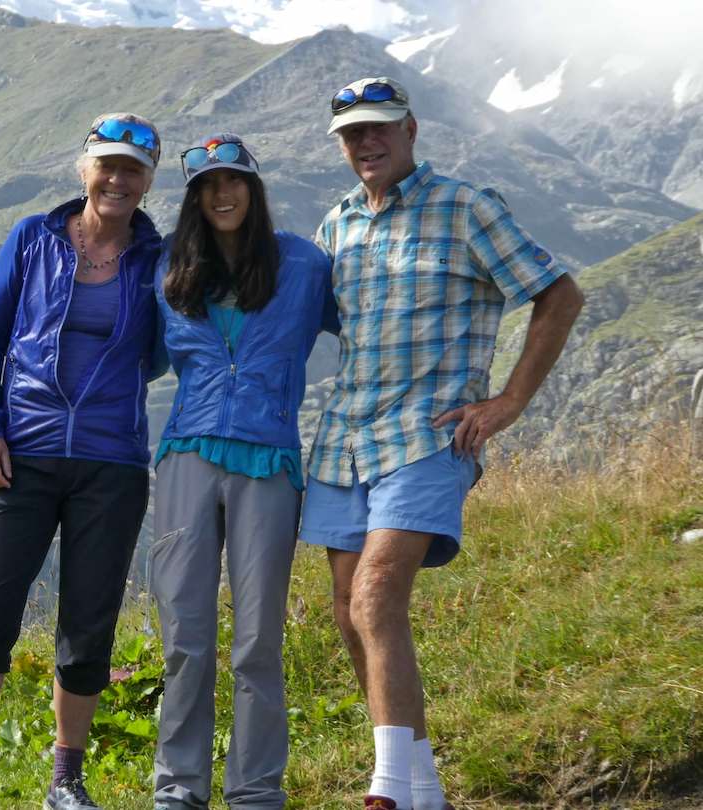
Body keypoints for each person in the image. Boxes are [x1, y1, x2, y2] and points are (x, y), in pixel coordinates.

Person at [299, 78, 584, 810]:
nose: (367, 143)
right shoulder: (337, 226)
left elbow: (558, 293)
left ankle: (389, 787)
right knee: (344, 607)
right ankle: (422, 788)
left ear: (411, 129)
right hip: (345, 440)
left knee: (376, 594)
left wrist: (510, 401)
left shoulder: (465, 207)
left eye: (380, 129)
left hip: (428, 435)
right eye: (352, 134)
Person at [0, 113, 164, 810]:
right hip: (19, 457)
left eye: (133, 170)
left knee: (88, 629)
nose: (118, 179)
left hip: (112, 464)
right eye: (108, 165)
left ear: (149, 181)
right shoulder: (34, 238)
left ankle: (66, 782)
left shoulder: (160, 258)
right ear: (84, 169)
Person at [150, 133, 337, 810]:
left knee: (258, 640)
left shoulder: (305, 265)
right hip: (187, 459)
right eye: (207, 185)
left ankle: (256, 792)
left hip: (269, 461)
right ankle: (178, 789)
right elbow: (134, 357)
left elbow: (367, 330)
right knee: (186, 638)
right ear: (194, 199)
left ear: (253, 189)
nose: (221, 194)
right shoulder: (170, 271)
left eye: (233, 181)